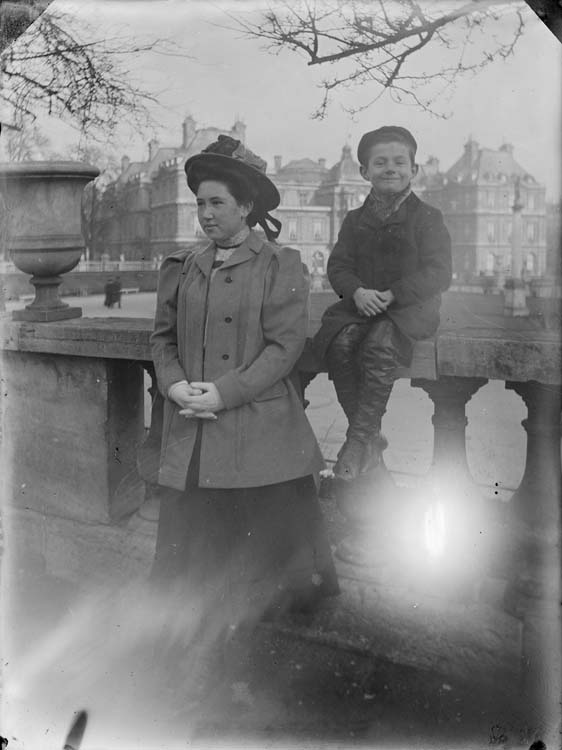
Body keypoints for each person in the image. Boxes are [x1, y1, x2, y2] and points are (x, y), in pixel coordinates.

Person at [150, 135, 339, 682]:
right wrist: (176, 386)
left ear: (246, 207)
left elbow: (286, 348)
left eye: (217, 204)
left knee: (265, 592)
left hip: (259, 440)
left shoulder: (281, 264)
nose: (205, 215)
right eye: (200, 204)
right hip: (195, 439)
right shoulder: (181, 266)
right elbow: (162, 341)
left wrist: (225, 392)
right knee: (192, 581)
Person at [311, 126, 452, 482]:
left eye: (399, 162)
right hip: (363, 305)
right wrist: (356, 291)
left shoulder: (428, 217)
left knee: (380, 343)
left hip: (409, 307)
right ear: (364, 172)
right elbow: (338, 266)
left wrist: (395, 294)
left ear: (414, 170)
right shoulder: (355, 219)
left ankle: (358, 440)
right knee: (340, 343)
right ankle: (368, 437)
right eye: (380, 162)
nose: (390, 168)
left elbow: (439, 272)